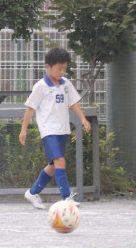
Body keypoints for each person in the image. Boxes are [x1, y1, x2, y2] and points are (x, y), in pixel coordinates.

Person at [19, 47, 91, 210]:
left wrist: (83, 119)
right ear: (48, 67)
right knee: (60, 161)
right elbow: (30, 108)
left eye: (64, 69)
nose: (62, 72)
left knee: (53, 165)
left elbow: (73, 103)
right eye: (59, 69)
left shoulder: (66, 85)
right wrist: (23, 129)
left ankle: (32, 192)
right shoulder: (40, 86)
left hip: (63, 130)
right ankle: (67, 198)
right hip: (48, 130)